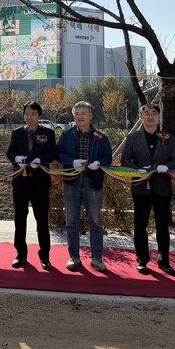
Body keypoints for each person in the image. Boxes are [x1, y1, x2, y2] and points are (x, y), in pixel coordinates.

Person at [120, 103, 175, 275]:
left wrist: (166, 166)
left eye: (154, 113)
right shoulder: (133, 138)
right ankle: (142, 260)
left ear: (159, 118)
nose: (150, 116)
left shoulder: (168, 138)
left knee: (162, 226)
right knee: (140, 225)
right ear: (141, 118)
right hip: (140, 187)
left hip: (162, 187)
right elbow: (125, 160)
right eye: (146, 113)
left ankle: (164, 261)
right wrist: (136, 169)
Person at [56, 101, 113, 272]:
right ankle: (73, 257)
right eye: (77, 114)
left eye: (83, 113)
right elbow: (58, 153)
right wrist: (71, 161)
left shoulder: (101, 137)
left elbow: (107, 157)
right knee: (71, 222)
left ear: (90, 116)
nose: (80, 117)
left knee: (95, 222)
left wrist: (99, 163)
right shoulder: (66, 135)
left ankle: (96, 258)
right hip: (71, 182)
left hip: (92, 183)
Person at [6, 101, 56, 270]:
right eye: (27, 113)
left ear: (39, 116)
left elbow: (52, 153)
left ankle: (45, 256)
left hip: (40, 183)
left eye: (33, 114)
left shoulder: (48, 133)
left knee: (42, 220)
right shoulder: (17, 133)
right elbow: (10, 151)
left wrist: (41, 160)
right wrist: (16, 159)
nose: (30, 117)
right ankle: (20, 254)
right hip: (20, 182)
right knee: (20, 219)